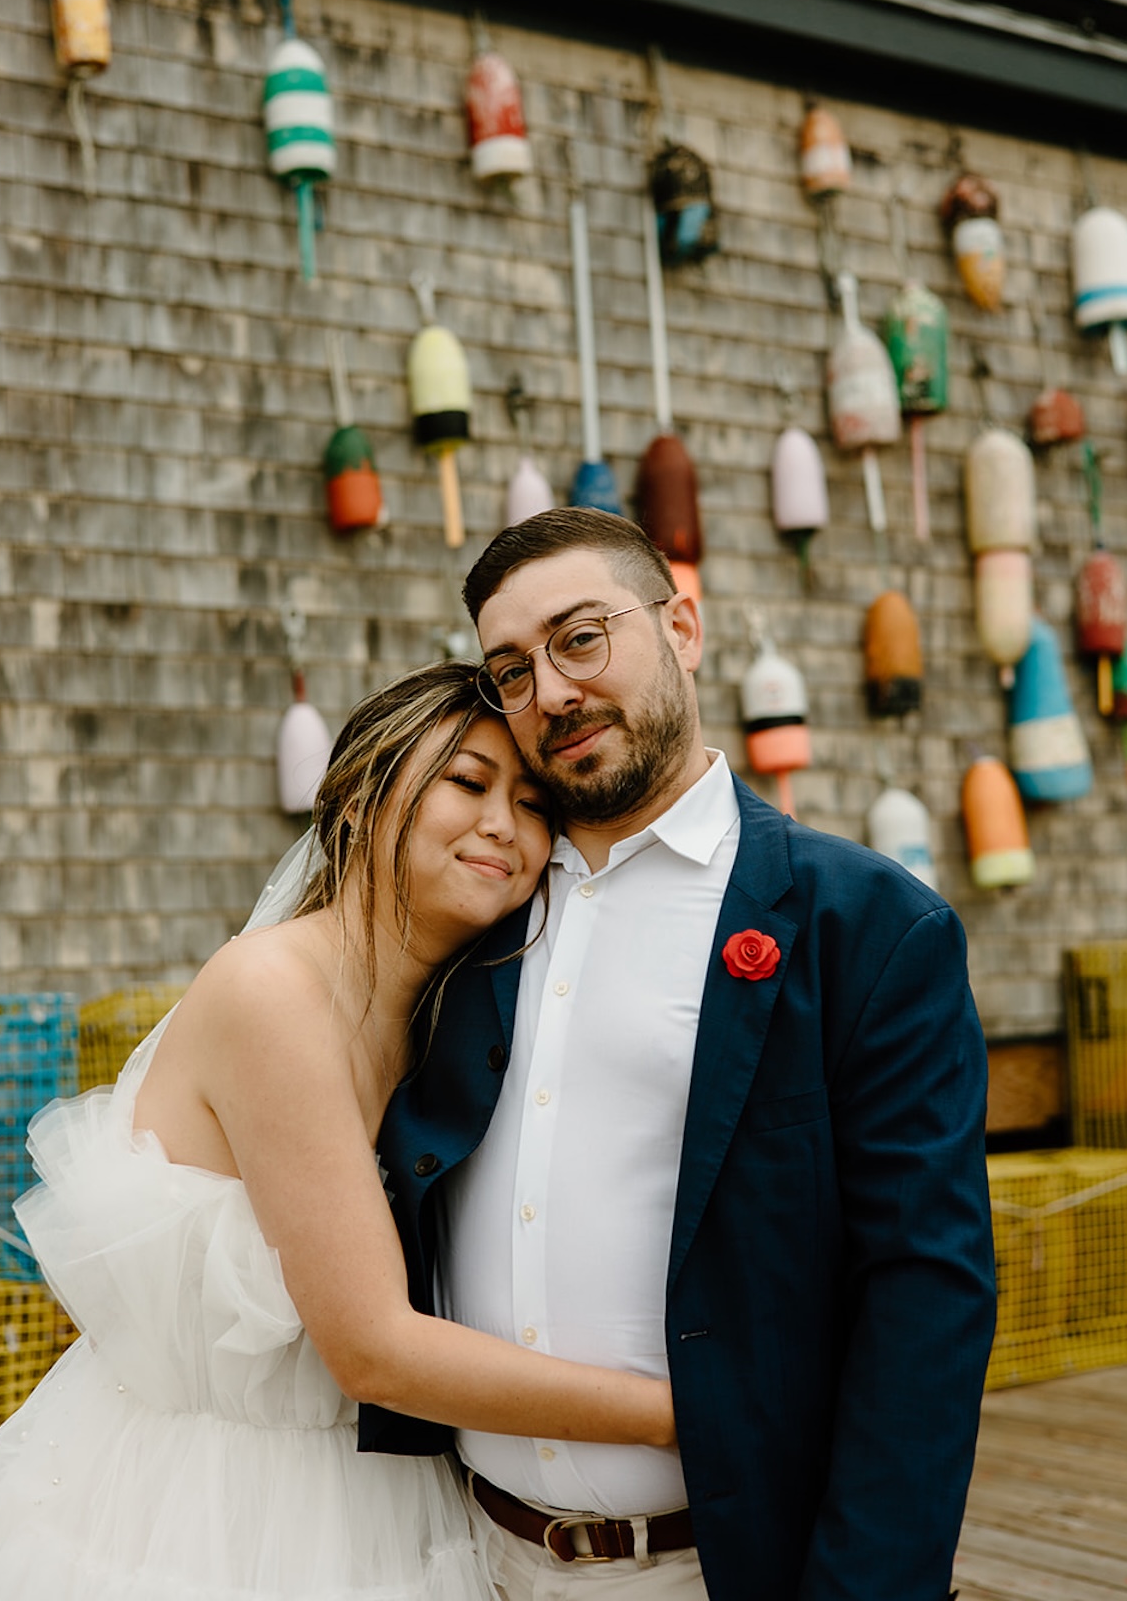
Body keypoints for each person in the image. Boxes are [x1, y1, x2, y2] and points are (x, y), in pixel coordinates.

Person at [0, 659, 677, 1601]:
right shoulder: (273, 994)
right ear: (365, 798)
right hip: (223, 1513)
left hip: (394, 1492)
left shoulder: (451, 1022)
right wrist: (681, 1414)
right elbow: (371, 1347)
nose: (505, 825)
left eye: (534, 805)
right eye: (467, 782)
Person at [361, 511, 998, 1601]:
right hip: (463, 1555)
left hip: (720, 1566)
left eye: (579, 638)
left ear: (682, 629)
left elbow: (922, 1296)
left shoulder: (866, 927)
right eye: (510, 671)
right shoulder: (471, 917)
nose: (549, 692)